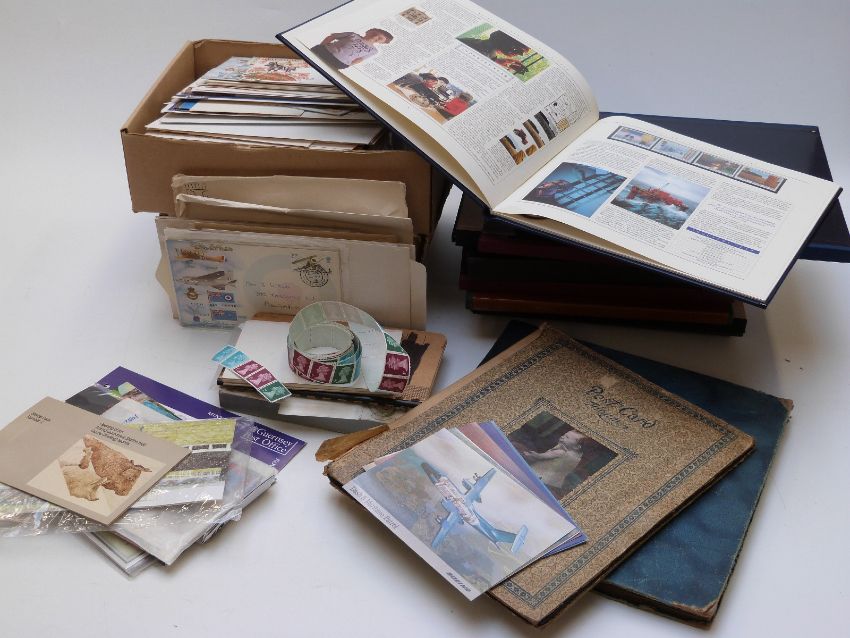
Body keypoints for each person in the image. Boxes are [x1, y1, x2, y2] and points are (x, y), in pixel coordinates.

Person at [311, 28, 394, 69]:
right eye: (374, 33)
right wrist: (321, 46)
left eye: (380, 38)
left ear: (382, 43)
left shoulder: (373, 51)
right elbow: (332, 36)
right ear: (368, 31)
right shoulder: (353, 35)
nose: (375, 37)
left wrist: (349, 65)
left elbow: (360, 59)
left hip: (340, 63)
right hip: (325, 51)